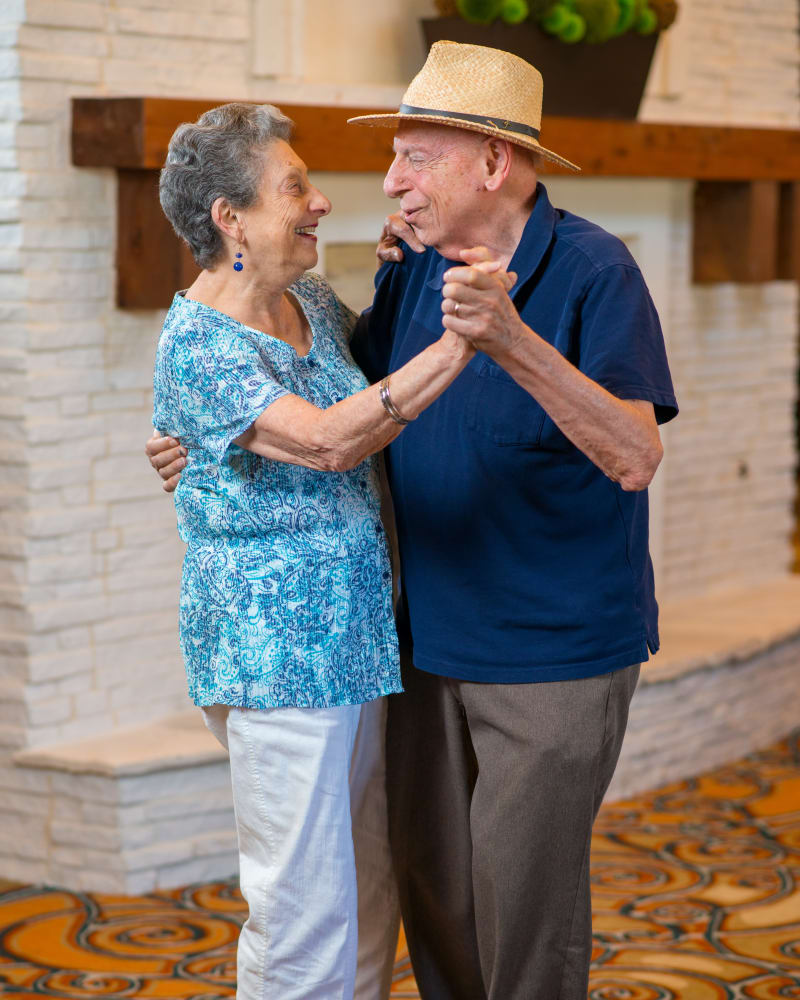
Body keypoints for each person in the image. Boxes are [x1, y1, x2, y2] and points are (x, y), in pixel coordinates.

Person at [148, 42, 678, 1000]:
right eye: (392, 157)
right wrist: (217, 433)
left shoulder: (599, 270)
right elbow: (334, 405)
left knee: (524, 904)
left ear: (493, 164)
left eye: (415, 158)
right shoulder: (406, 268)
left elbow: (635, 455)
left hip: (551, 652)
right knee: (434, 894)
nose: (388, 182)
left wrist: (509, 340)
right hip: (417, 646)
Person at [150, 100, 510, 1000]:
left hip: (355, 639)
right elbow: (326, 439)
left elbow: (354, 372)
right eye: (294, 187)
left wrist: (399, 276)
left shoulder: (304, 297)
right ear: (228, 216)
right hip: (273, 657)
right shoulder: (196, 341)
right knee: (301, 904)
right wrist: (462, 345)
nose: (320, 203)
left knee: (364, 884)